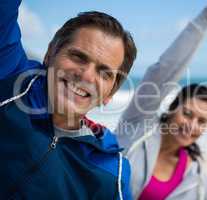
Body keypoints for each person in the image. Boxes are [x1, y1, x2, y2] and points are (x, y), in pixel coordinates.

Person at [0, 0, 137, 199]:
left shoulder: (112, 173)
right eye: (78, 57)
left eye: (104, 73)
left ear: (109, 95)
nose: (87, 76)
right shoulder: (10, 76)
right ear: (49, 54)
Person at [115, 1, 207, 199]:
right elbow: (163, 71)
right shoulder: (137, 126)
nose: (192, 125)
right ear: (172, 109)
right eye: (187, 113)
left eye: (201, 121)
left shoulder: (197, 181)